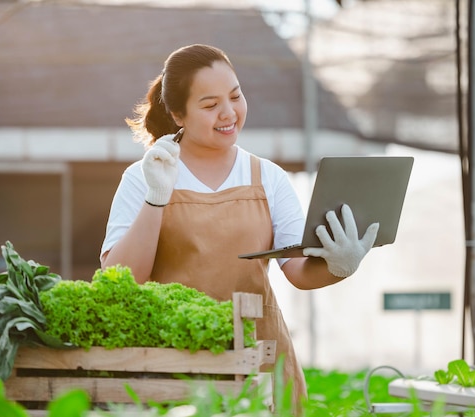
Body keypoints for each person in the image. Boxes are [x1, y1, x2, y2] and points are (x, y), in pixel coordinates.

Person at [100, 43, 379, 411]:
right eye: (210, 104)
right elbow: (123, 280)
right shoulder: (144, 177)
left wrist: (340, 266)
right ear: (178, 114)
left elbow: (296, 270)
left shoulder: (269, 178)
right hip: (174, 365)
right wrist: (156, 198)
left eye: (235, 95)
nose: (228, 113)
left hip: (260, 360)